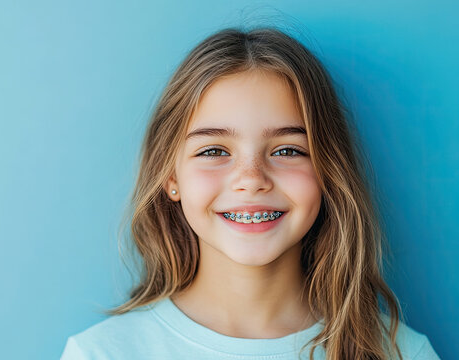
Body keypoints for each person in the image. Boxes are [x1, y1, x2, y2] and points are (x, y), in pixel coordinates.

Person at [60, 27, 440, 359]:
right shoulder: (101, 354)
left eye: (287, 150)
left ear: (328, 171)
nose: (251, 179)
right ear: (170, 178)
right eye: (214, 151)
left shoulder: (403, 353)